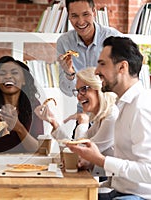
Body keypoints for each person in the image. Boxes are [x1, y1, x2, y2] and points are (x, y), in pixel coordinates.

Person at [67, 36, 151, 199]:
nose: (97, 71)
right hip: (120, 191)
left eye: (102, 64)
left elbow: (148, 171)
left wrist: (100, 160)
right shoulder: (123, 105)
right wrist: (94, 163)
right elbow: (124, 167)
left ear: (122, 67)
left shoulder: (141, 107)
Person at [35, 67, 118, 174]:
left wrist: (82, 124)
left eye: (84, 89)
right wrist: (53, 122)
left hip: (118, 188)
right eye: (77, 91)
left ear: (99, 88)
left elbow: (80, 154)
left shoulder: (112, 117)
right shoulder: (102, 118)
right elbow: (75, 148)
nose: (79, 96)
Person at [57, 0, 121, 111]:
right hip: (84, 111)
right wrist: (69, 74)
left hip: (111, 109)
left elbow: (125, 77)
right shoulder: (64, 42)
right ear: (69, 17)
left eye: (85, 14)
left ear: (94, 12)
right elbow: (67, 91)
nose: (81, 22)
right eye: (75, 16)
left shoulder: (113, 37)